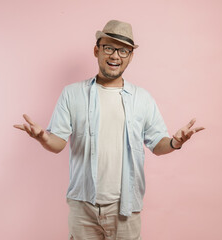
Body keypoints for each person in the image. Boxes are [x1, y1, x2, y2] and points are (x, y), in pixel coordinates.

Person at [14, 20, 205, 240]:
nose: (115, 56)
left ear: (131, 56)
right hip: (82, 205)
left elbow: (157, 145)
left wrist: (174, 142)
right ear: (97, 50)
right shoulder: (72, 94)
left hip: (126, 207)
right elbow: (57, 144)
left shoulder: (143, 99)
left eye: (123, 50)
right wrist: (43, 137)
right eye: (109, 47)